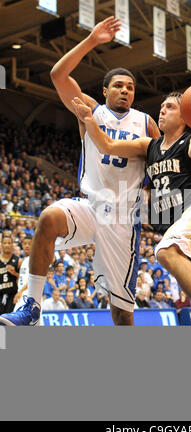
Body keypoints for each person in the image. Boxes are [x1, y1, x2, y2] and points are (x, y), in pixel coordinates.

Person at [0, 17, 160, 326]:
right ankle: (32, 306)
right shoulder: (90, 111)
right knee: (48, 218)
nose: (125, 90)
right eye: (118, 86)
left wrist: (154, 197)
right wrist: (92, 40)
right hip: (91, 205)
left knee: (121, 312)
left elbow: (159, 168)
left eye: (130, 87)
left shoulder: (145, 122)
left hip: (123, 219)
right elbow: (58, 75)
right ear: (105, 91)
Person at [71, 91, 191, 325]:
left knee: (165, 252)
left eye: (170, 107)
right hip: (181, 226)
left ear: (186, 115)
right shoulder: (149, 146)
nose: (162, 110)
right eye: (162, 106)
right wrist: (88, 120)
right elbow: (107, 145)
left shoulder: (190, 141)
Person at [0, 235, 22, 314]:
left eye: (9, 243)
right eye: (5, 243)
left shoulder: (18, 261)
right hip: (0, 293)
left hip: (13, 295)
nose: (7, 245)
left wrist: (14, 273)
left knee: (10, 321)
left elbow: (24, 278)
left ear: (12, 245)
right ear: (1, 244)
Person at [13, 235, 32, 310]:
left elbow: (32, 280)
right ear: (22, 245)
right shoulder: (24, 260)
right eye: (25, 243)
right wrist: (15, 274)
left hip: (28, 294)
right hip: (22, 294)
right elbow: (24, 277)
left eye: (30, 243)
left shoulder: (33, 259)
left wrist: (20, 291)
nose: (27, 246)